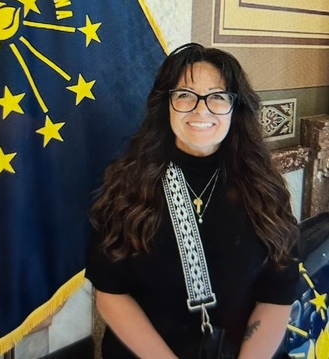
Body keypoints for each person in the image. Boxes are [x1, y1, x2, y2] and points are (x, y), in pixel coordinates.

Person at [86, 43, 299, 359]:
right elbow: (111, 293)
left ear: (234, 107)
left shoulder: (262, 188)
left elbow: (276, 295)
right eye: (185, 95)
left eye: (217, 97)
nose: (202, 110)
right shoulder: (127, 185)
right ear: (166, 104)